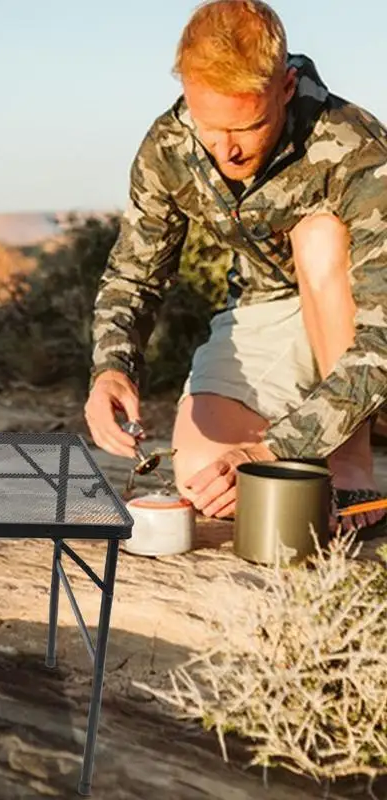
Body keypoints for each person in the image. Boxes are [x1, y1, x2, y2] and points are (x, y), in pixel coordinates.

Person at [84, 0, 387, 533]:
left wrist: (272, 448)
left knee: (318, 235)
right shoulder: (169, 145)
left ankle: (350, 467)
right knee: (207, 481)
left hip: (359, 310)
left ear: (286, 86)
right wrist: (112, 368)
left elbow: (383, 334)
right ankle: (319, 436)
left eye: (247, 126)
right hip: (262, 311)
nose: (227, 151)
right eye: (208, 126)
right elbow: (134, 274)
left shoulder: (354, 146)